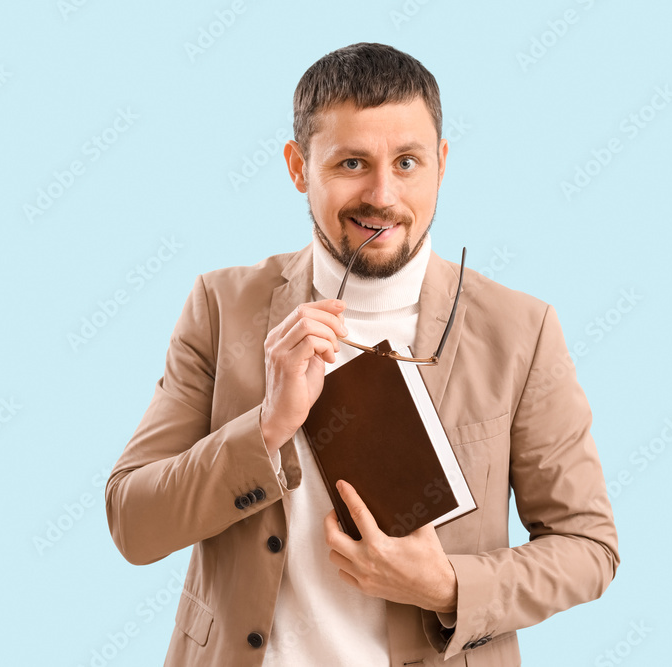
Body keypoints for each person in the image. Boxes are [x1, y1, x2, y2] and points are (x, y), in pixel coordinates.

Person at [105, 42, 619, 667]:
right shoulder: (222, 307)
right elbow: (133, 523)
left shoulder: (521, 329)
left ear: (442, 165)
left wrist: (448, 587)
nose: (383, 194)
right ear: (299, 167)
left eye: (408, 162)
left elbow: (589, 547)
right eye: (352, 162)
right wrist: (266, 426)